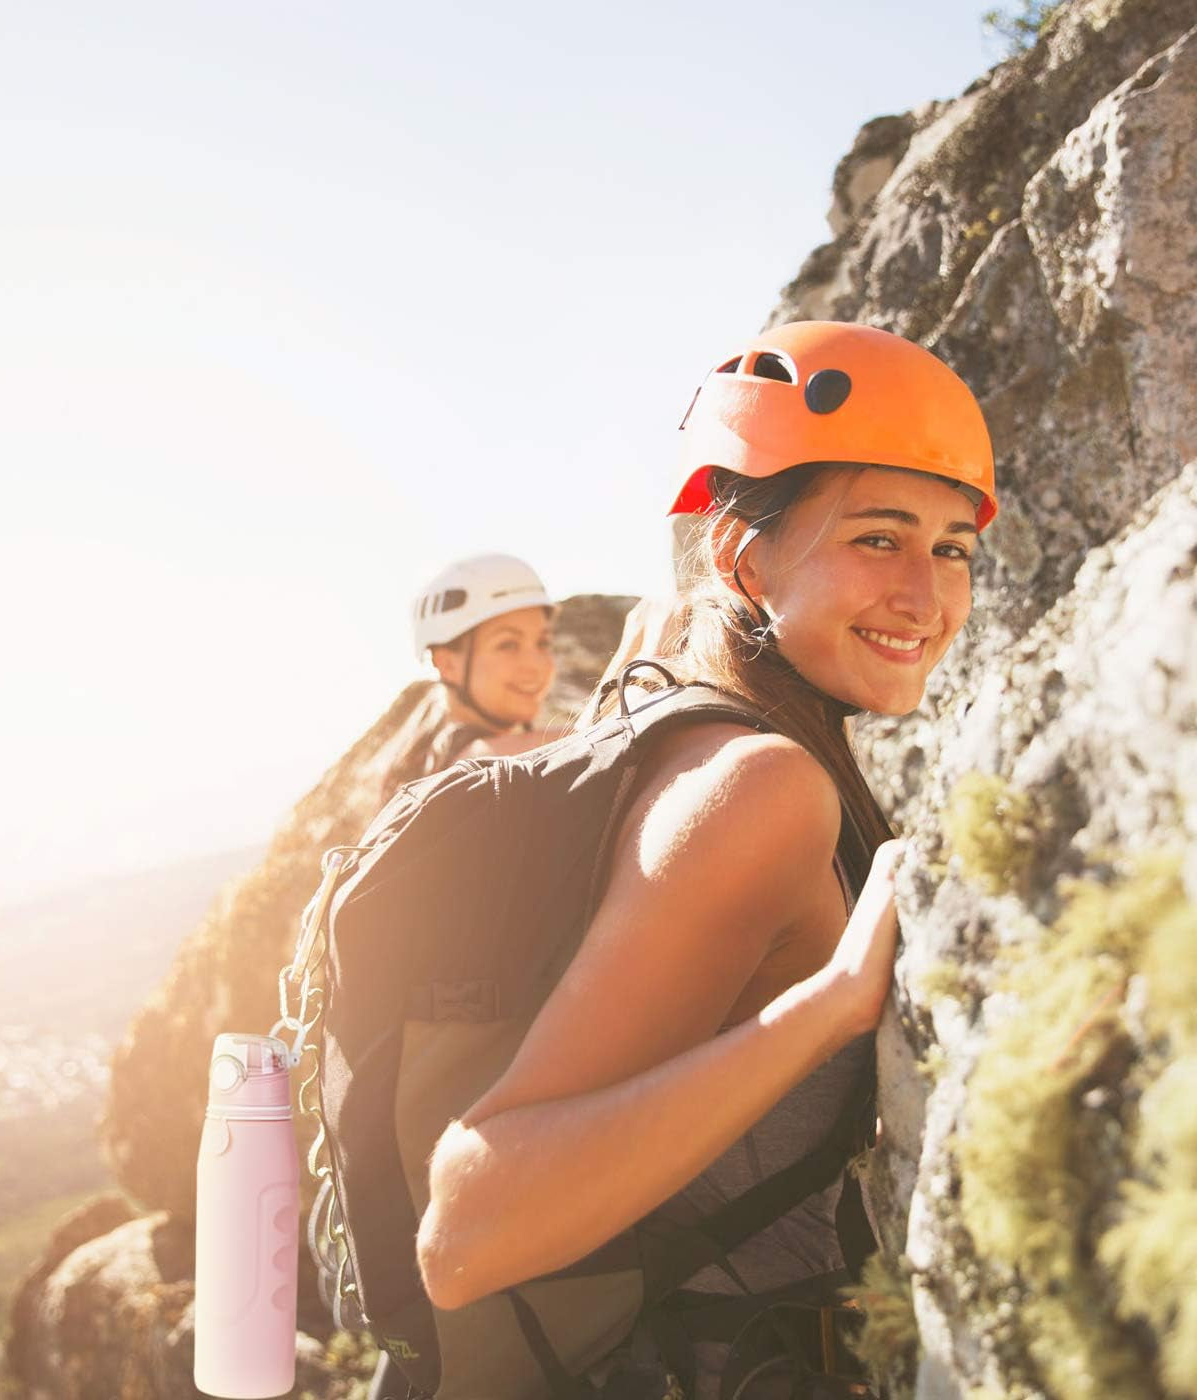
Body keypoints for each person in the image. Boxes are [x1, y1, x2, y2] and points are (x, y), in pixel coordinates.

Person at [414, 321, 997, 1397]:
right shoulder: (760, 785)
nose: (925, 597)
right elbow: (467, 1230)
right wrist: (828, 1005)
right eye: (878, 538)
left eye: (952, 548)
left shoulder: (694, 723)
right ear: (741, 556)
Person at [385, 553, 558, 791]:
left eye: (542, 643)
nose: (536, 664)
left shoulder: (428, 755)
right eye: (508, 645)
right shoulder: (478, 762)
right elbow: (593, 744)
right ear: (447, 664)